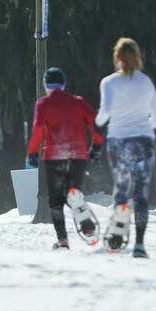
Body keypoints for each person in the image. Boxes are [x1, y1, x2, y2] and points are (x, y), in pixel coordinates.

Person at [96, 37, 156, 257]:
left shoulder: (108, 83)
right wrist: (143, 125)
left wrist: (99, 120)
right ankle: (140, 245)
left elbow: (103, 115)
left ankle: (117, 233)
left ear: (116, 57)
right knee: (141, 192)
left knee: (122, 184)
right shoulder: (146, 82)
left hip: (118, 139)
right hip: (144, 140)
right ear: (138, 57)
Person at [26, 67, 105, 249]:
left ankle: (62, 240)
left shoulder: (42, 104)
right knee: (73, 193)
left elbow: (37, 130)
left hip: (53, 156)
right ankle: (87, 226)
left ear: (46, 85)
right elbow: (95, 126)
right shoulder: (78, 102)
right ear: (64, 84)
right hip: (78, 155)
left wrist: (32, 153)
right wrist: (97, 147)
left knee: (55, 200)